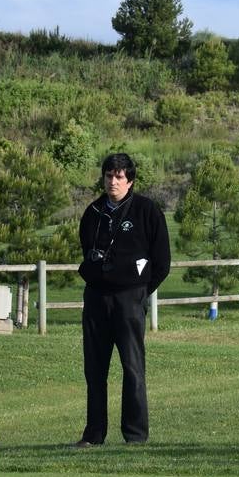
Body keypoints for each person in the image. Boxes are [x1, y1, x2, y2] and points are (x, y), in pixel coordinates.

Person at [75, 152, 172, 448]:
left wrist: (140, 292)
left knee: (132, 367)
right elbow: (86, 252)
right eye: (108, 176)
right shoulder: (92, 213)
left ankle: (135, 435)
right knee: (94, 370)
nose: (113, 182)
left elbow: (162, 262)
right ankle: (94, 434)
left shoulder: (146, 211)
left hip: (129, 301)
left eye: (119, 177)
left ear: (130, 181)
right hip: (96, 300)